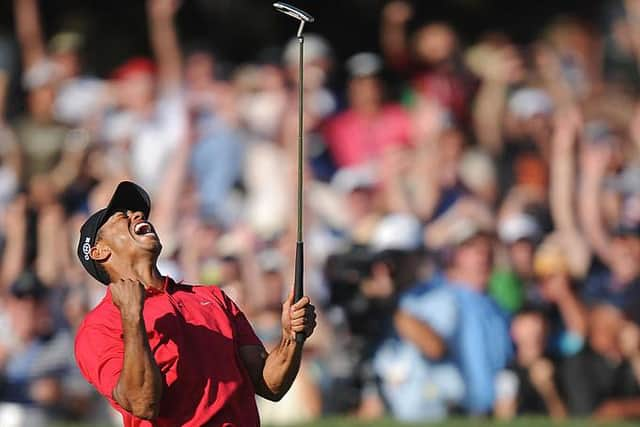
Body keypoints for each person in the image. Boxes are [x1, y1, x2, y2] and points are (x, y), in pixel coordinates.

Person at [73, 181, 317, 426]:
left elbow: (269, 385)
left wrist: (290, 336)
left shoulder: (213, 297)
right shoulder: (99, 326)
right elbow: (142, 404)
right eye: (121, 216)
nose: (136, 215)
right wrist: (132, 318)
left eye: (136, 212)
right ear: (99, 251)